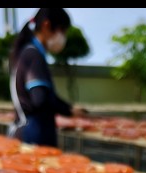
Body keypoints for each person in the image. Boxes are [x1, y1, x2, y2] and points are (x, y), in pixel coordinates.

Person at [7, 8, 88, 147]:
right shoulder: (33, 55)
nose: (63, 37)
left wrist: (69, 108)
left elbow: (45, 95)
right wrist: (67, 110)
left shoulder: (29, 52)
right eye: (62, 31)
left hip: (29, 131)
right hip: (32, 133)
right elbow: (40, 99)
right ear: (46, 25)